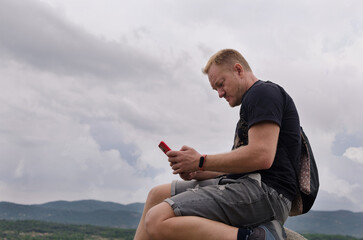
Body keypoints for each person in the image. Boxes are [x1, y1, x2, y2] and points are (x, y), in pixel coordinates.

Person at [134, 49, 301, 240]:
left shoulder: (263, 92)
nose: (220, 94)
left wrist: (200, 161)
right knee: (156, 195)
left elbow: (261, 156)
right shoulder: (252, 103)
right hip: (246, 184)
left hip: (268, 193)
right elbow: (237, 166)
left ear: (238, 70)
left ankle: (257, 237)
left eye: (221, 85)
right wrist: (196, 170)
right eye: (215, 89)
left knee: (157, 219)